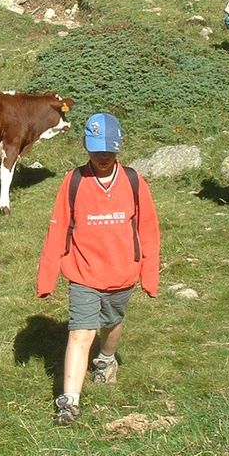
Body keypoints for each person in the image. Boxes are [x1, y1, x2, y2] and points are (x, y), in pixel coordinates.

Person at [36, 112, 160, 426]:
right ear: (86, 149)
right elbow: (58, 229)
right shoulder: (74, 182)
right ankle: (69, 403)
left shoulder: (134, 182)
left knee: (112, 323)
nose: (102, 157)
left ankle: (106, 359)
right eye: (96, 151)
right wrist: (47, 277)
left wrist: (150, 274)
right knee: (80, 332)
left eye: (108, 151)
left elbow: (148, 230)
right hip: (83, 273)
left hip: (122, 272)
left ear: (118, 149)